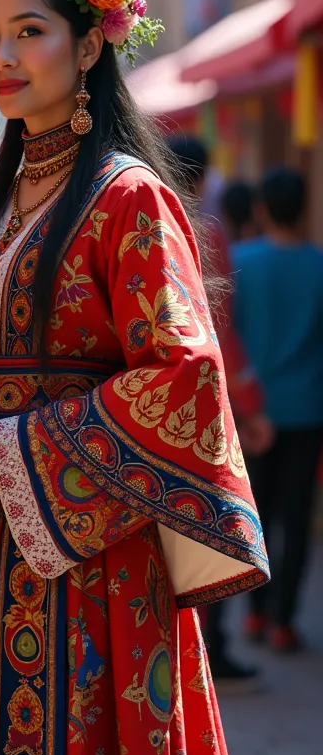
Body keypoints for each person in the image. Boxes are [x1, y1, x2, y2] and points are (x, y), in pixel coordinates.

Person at [0, 0, 269, 755]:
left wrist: (14, 450)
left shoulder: (129, 197)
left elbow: (182, 374)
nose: (2, 59)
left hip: (95, 558)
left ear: (89, 43)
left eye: (29, 32)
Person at [167, 135, 273, 693]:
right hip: (202, 406)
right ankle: (210, 652)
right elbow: (219, 331)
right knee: (207, 530)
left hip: (139, 408)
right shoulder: (202, 230)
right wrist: (248, 405)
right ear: (204, 178)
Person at [231, 167, 323, 652]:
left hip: (251, 413)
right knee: (296, 517)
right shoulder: (319, 264)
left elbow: (230, 337)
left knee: (253, 514)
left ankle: (254, 613)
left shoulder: (240, 262)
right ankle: (285, 621)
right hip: (307, 409)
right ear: (305, 208)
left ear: (262, 208)